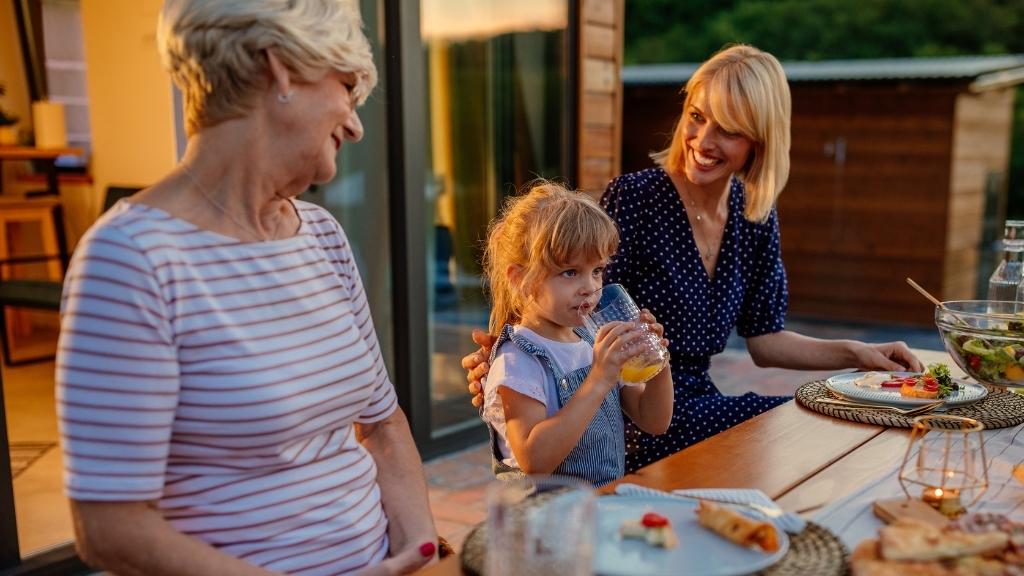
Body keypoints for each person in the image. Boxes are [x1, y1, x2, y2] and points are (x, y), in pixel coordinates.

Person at [56, 1, 437, 574]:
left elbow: (383, 426)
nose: (356, 123)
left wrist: (421, 553)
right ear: (280, 68)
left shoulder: (324, 236)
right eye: (348, 87)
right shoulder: (131, 259)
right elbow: (109, 527)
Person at [463, 44, 923, 472]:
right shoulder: (637, 198)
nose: (703, 140)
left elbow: (765, 340)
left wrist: (857, 353)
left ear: (759, 141)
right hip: (625, 416)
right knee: (797, 419)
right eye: (697, 117)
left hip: (681, 401)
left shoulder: (754, 213)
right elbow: (562, 298)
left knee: (813, 417)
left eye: (727, 129)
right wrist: (503, 359)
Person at [479, 183, 673, 487]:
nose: (589, 287)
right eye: (570, 272)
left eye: (597, 270)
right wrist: (598, 380)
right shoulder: (519, 358)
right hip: (545, 522)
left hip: (597, 509)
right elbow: (534, 460)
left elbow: (655, 421)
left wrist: (658, 361)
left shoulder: (590, 339)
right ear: (520, 279)